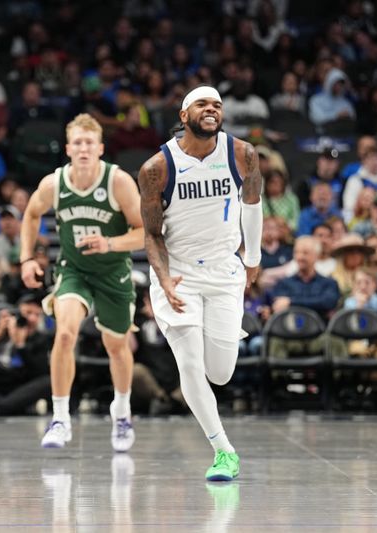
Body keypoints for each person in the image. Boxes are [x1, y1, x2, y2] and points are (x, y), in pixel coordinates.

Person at [138, 86, 263, 482]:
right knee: (190, 363)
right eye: (202, 104)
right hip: (179, 275)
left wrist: (254, 257)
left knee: (221, 373)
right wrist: (163, 281)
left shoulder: (242, 153)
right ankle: (223, 450)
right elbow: (152, 235)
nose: (211, 109)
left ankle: (212, 351)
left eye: (217, 105)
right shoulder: (157, 167)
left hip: (225, 272)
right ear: (183, 113)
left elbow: (253, 203)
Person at [20, 113, 145, 451]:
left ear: (101, 148)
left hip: (112, 273)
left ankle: (121, 411)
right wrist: (27, 258)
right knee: (64, 333)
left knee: (116, 346)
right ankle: (61, 417)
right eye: (78, 142)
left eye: (90, 142)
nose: (84, 148)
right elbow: (31, 214)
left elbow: (145, 232)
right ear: (68, 148)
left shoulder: (118, 182)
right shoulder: (54, 184)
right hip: (73, 271)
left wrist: (111, 243)